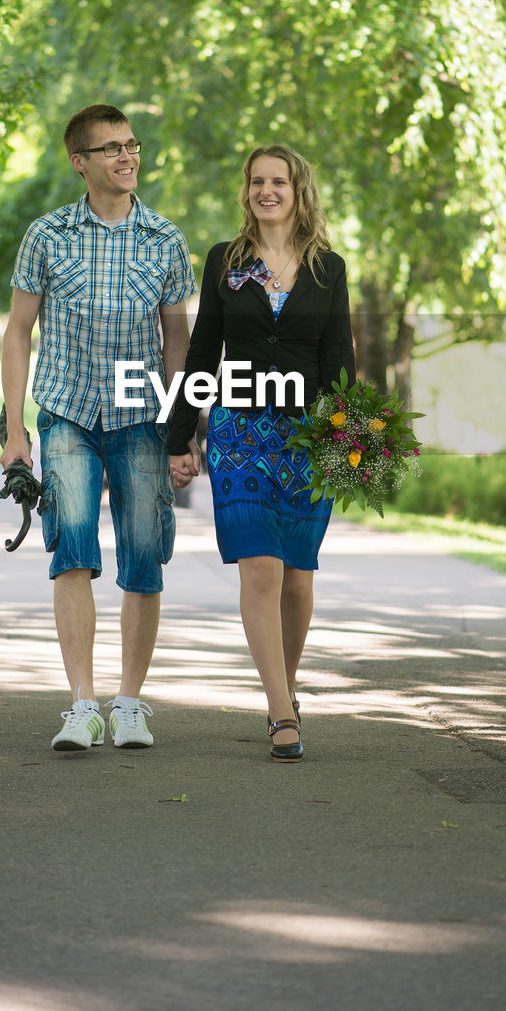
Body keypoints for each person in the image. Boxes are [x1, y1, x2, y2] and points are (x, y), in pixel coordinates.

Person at [0, 104, 198, 753]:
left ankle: (131, 704)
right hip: (67, 414)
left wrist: (181, 430)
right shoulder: (46, 236)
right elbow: (16, 334)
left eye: (132, 144)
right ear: (79, 161)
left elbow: (178, 342)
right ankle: (82, 705)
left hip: (141, 416)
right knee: (73, 550)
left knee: (144, 555)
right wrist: (15, 432)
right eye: (111, 147)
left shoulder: (165, 240)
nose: (127, 156)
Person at [167, 144, 355, 762]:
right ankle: (280, 713)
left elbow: (338, 362)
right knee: (261, 568)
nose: (266, 191)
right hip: (240, 432)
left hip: (305, 436)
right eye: (256, 182)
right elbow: (203, 352)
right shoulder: (226, 261)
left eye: (278, 181)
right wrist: (181, 434)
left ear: (298, 190)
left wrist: (346, 439)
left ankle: (287, 688)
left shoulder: (330, 269)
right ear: (246, 192)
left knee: (298, 578)